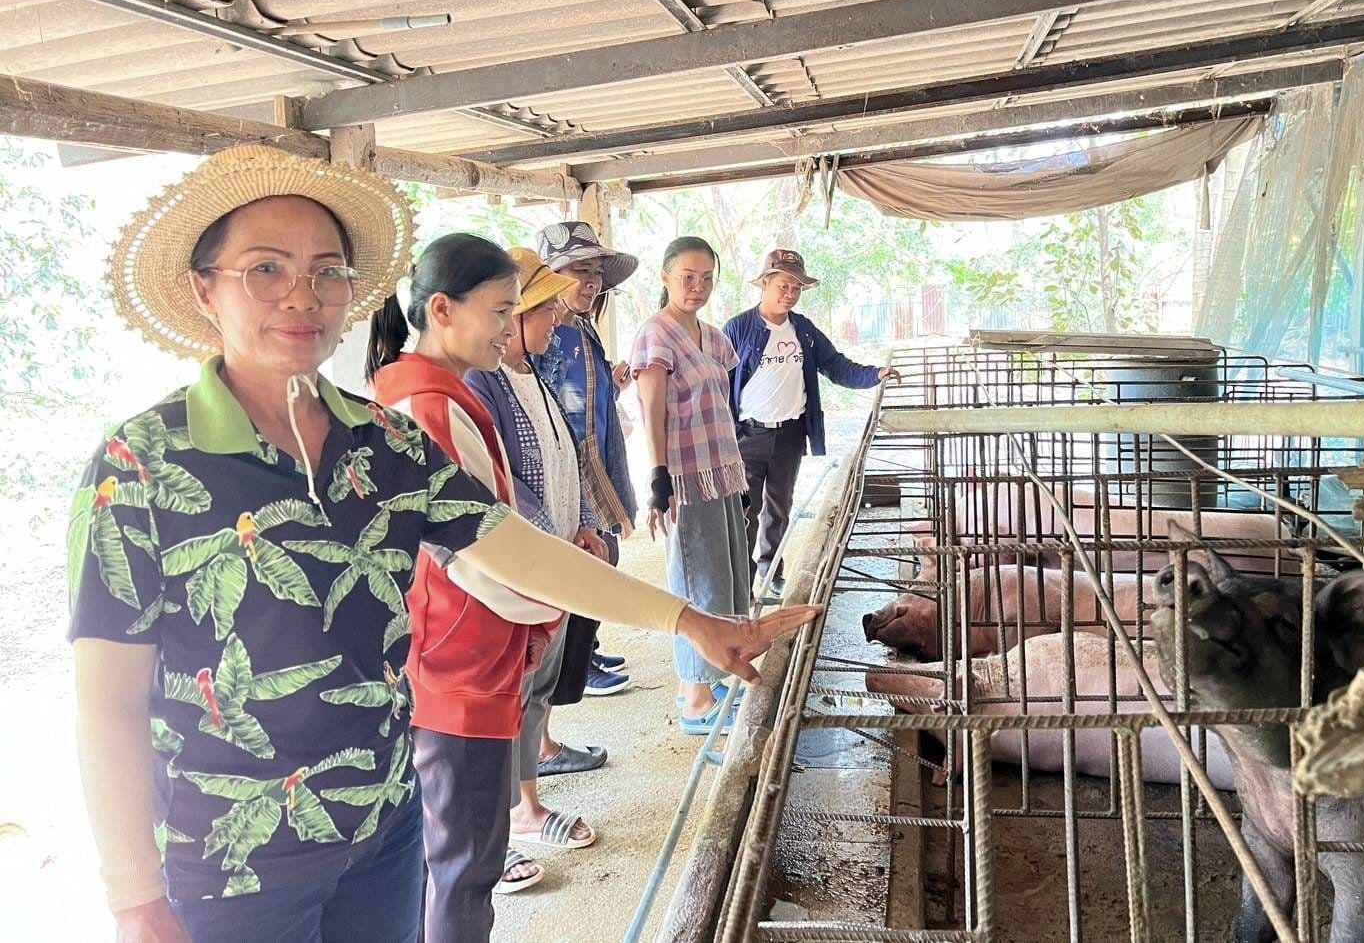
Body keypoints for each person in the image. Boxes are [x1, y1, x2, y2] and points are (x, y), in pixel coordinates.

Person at [67, 145, 819, 943]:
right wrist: (134, 897)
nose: (303, 296)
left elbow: (517, 550)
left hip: (383, 826)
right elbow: (107, 695)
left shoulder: (384, 441)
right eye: (264, 269)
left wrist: (689, 621)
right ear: (204, 288)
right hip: (230, 859)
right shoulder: (143, 463)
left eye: (327, 272)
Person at [364, 233, 558, 904]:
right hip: (456, 659)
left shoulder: (427, 391)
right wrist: (553, 603)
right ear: (441, 309)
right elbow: (485, 560)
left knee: (443, 862)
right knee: (465, 872)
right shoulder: (430, 407)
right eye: (500, 311)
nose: (509, 330)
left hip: (449, 652)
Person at [466, 249, 608, 882]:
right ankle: (507, 819)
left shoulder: (537, 376)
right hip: (519, 571)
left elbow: (563, 456)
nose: (555, 317)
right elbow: (503, 488)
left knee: (538, 689)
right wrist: (551, 545)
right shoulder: (482, 385)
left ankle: (525, 806)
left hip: (552, 560)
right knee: (510, 695)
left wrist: (581, 521)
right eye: (541, 307)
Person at [631, 236, 751, 736]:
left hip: (719, 468)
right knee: (696, 582)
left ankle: (710, 676)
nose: (697, 287)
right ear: (665, 278)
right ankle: (695, 697)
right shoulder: (655, 335)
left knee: (724, 576)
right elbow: (651, 409)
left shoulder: (714, 336)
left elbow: (722, 405)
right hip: (684, 475)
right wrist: (658, 477)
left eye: (706, 278)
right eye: (687, 277)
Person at [724, 249, 899, 586]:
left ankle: (771, 569)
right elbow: (718, 380)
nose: (790, 294)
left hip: (789, 434)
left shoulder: (802, 330)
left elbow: (835, 365)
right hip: (748, 436)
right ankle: (742, 583)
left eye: (796, 288)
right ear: (765, 283)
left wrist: (874, 374)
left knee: (779, 509)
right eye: (783, 286)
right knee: (743, 511)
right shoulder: (738, 329)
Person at [531, 220, 641, 701]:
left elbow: (581, 392)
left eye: (596, 270)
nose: (591, 280)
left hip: (594, 455)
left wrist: (612, 387)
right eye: (579, 269)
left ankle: (587, 648)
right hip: (568, 461)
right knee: (591, 560)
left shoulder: (581, 325)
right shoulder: (548, 329)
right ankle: (574, 668)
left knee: (603, 554)